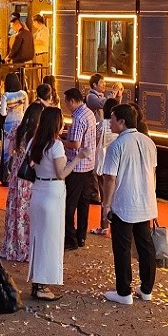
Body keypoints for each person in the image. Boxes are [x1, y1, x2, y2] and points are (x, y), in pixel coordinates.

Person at [100, 104, 159, 306]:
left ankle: (124, 292)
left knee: (122, 248)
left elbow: (110, 179)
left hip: (124, 203)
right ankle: (146, 289)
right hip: (146, 201)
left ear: (122, 122)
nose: (110, 122)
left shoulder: (116, 146)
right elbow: (153, 174)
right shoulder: (149, 142)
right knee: (146, 246)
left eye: (113, 119)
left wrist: (105, 205)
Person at [26, 106, 85, 301]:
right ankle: (42, 285)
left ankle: (37, 282)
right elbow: (62, 173)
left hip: (38, 192)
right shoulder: (56, 145)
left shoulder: (35, 142)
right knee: (50, 241)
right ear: (56, 123)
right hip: (53, 193)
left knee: (38, 238)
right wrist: (78, 158)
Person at [0, 102, 42, 263]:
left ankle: (12, 244)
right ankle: (26, 245)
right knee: (27, 211)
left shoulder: (18, 126)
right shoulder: (37, 133)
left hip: (18, 171)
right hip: (30, 175)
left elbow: (10, 151)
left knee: (15, 208)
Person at [61, 88, 97, 251]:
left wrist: (60, 141)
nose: (66, 106)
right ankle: (81, 236)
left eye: (67, 102)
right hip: (89, 165)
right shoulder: (89, 112)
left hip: (77, 166)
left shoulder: (78, 118)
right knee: (84, 203)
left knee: (70, 204)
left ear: (72, 101)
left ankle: (70, 238)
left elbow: (75, 144)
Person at [89, 98, 119, 238]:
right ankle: (115, 225)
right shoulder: (119, 126)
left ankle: (104, 225)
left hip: (103, 161)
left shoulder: (102, 124)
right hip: (117, 163)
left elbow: (95, 141)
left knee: (104, 196)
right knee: (115, 196)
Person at [0, 72, 28, 175]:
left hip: (9, 122)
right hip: (20, 120)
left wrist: (9, 109)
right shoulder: (23, 94)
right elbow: (26, 109)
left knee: (7, 148)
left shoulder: (6, 95)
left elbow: (3, 113)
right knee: (19, 146)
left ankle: (7, 173)